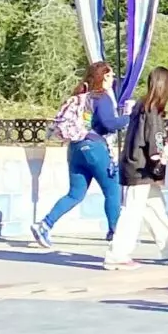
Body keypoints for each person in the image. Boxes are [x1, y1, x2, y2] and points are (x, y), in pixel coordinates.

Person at [32, 61, 123, 249]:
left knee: (75, 194)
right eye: (111, 75)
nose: (113, 79)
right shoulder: (102, 97)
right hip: (95, 148)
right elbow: (109, 124)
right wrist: (127, 118)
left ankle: (45, 224)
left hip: (75, 149)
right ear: (105, 76)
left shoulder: (80, 97)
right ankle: (116, 233)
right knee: (112, 189)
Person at [106, 68, 168, 268]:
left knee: (155, 208)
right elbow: (153, 141)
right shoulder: (152, 110)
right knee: (132, 211)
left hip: (136, 165)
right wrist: (162, 157)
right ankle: (117, 254)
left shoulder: (142, 105)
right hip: (140, 168)